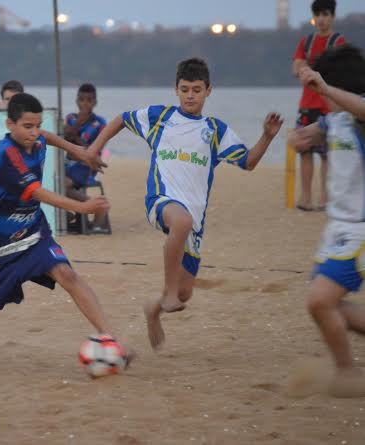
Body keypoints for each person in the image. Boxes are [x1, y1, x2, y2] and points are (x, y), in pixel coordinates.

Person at [87, 58, 283, 350]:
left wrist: (266, 137)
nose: (191, 95)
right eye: (185, 89)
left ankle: (154, 309)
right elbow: (121, 119)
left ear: (208, 91)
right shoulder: (161, 117)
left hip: (194, 219)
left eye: (197, 89)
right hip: (161, 201)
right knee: (180, 223)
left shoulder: (215, 130)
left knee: (185, 293)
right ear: (175, 90)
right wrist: (93, 149)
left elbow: (248, 162)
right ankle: (166, 293)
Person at [0, 93, 129, 374]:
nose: (34, 132)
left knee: (68, 275)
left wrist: (79, 152)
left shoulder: (35, 139)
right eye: (27, 126)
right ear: (9, 124)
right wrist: (82, 206)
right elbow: (38, 192)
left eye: (37, 125)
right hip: (0, 249)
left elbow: (47, 136)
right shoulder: (6, 156)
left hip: (34, 233)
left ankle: (110, 338)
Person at [289, 45, 365, 396]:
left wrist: (326, 88)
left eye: (327, 91)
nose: (323, 99)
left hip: (360, 230)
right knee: (328, 307)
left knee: (319, 302)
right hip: (336, 228)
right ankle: (347, 372)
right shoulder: (333, 119)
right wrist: (298, 138)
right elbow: (311, 134)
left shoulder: (359, 117)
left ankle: (348, 374)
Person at [292, 0, 345, 211]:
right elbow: (296, 68)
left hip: (328, 105)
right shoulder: (307, 41)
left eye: (325, 15)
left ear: (332, 16)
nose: (321, 20)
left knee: (327, 156)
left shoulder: (338, 41)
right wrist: (310, 69)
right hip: (307, 104)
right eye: (318, 15)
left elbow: (340, 70)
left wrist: (310, 68)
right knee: (305, 152)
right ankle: (305, 198)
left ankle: (325, 198)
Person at [63, 83, 109, 232]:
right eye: (82, 100)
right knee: (51, 180)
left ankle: (96, 206)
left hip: (86, 166)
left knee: (63, 184)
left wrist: (74, 137)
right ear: (77, 101)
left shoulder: (100, 124)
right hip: (67, 164)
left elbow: (94, 150)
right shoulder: (70, 118)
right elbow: (64, 140)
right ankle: (68, 214)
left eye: (89, 100)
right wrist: (78, 123)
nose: (85, 103)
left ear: (95, 102)